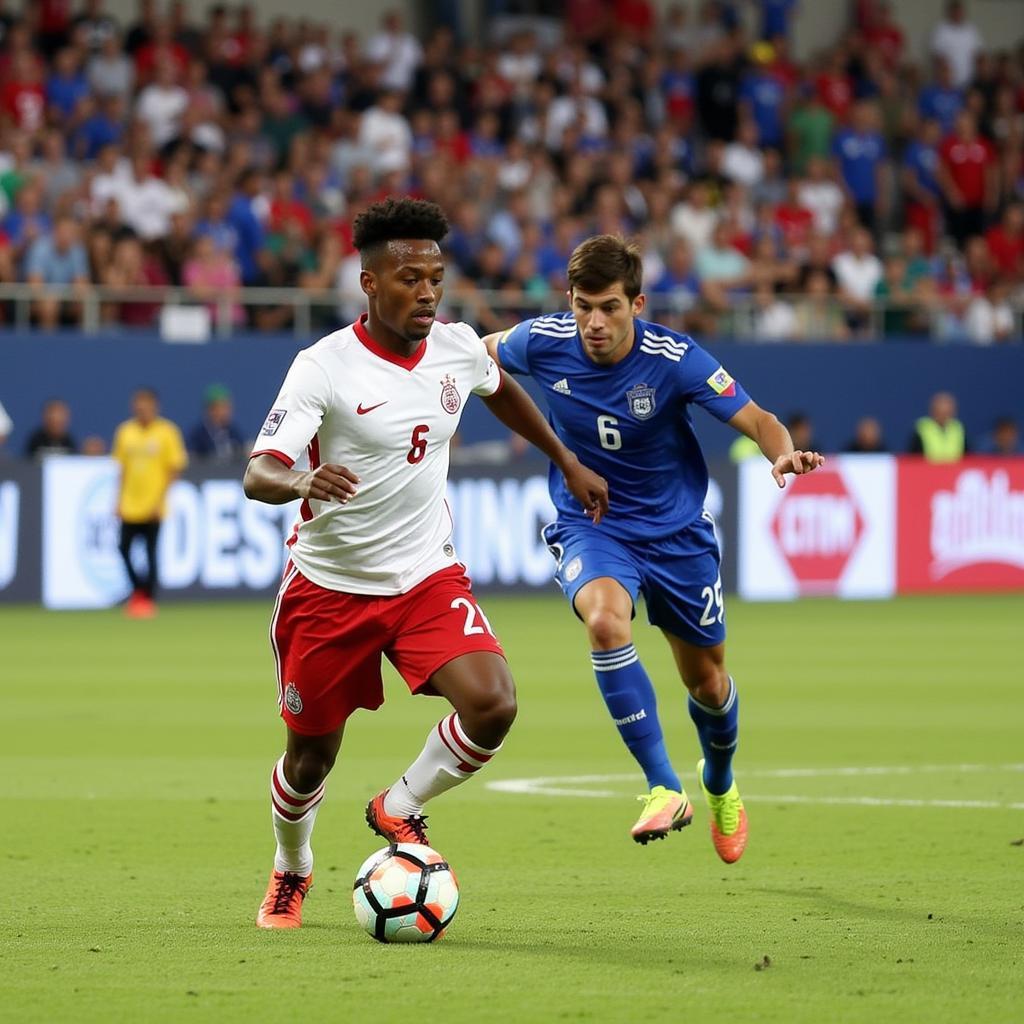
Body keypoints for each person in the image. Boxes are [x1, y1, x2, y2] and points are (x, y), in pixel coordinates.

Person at [243, 198, 608, 930]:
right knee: (309, 762)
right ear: (370, 282)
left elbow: (500, 390)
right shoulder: (323, 367)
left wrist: (565, 458)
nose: (428, 292)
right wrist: (301, 480)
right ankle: (292, 867)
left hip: (425, 577)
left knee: (493, 702)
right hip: (330, 591)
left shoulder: (456, 346)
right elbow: (259, 472)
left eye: (436, 277)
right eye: (410, 278)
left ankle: (398, 805)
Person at [481, 235, 824, 860]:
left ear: (637, 303)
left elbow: (757, 419)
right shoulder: (543, 342)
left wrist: (782, 453)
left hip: (677, 538)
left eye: (610, 307)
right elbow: (475, 358)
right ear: (569, 301)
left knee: (708, 683)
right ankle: (663, 785)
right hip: (595, 524)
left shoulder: (676, 358)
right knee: (606, 623)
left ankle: (718, 781)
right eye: (583, 306)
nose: (594, 322)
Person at [111, 388, 188, 618]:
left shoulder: (166, 432)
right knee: (123, 548)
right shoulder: (125, 432)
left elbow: (174, 468)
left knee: (151, 552)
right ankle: (138, 591)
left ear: (155, 406)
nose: (141, 408)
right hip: (130, 504)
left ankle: (148, 599)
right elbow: (121, 469)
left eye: (146, 404)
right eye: (138, 404)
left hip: (153, 504)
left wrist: (161, 500)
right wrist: (117, 500)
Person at [187, 384, 246, 460]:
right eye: (223, 407)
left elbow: (243, 449)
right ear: (211, 409)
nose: (227, 412)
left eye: (228, 407)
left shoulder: (234, 432)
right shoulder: (198, 435)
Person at [908, 391, 968, 461]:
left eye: (947, 413)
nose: (944, 416)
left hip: (955, 470)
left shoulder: (958, 429)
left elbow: (968, 456)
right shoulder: (921, 429)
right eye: (941, 413)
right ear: (933, 411)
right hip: (928, 470)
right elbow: (913, 459)